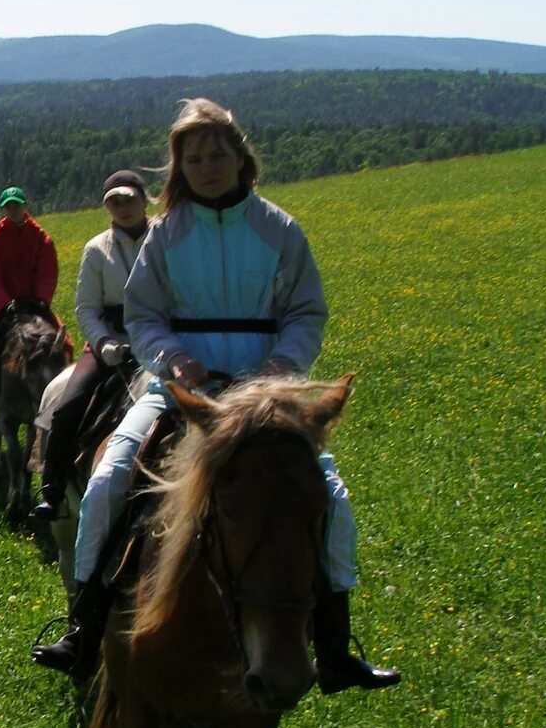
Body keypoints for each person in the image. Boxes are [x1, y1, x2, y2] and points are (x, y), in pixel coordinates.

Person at [31, 98, 399, 695]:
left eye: (216, 154)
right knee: (107, 480)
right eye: (193, 157)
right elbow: (145, 315)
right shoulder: (167, 233)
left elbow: (305, 310)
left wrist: (283, 365)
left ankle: (334, 647)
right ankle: (85, 626)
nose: (206, 166)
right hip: (182, 389)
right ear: (179, 167)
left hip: (264, 394)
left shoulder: (278, 229)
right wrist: (174, 358)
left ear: (239, 157)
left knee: (331, 496)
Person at [31, 170, 150, 520]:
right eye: (115, 201)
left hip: (163, 344)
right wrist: (104, 343)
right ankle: (53, 490)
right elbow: (86, 307)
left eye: (129, 199)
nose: (123, 207)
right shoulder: (97, 249)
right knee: (67, 405)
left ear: (145, 198)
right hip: (110, 345)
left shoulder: (168, 238)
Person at [0, 186, 59, 422]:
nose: (14, 210)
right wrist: (4, 304)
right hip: (4, 307)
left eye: (17, 205)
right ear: (4, 209)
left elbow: (48, 273)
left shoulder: (41, 238)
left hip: (35, 305)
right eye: (9, 206)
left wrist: (41, 299)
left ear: (25, 206)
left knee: (62, 343)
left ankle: (60, 399)